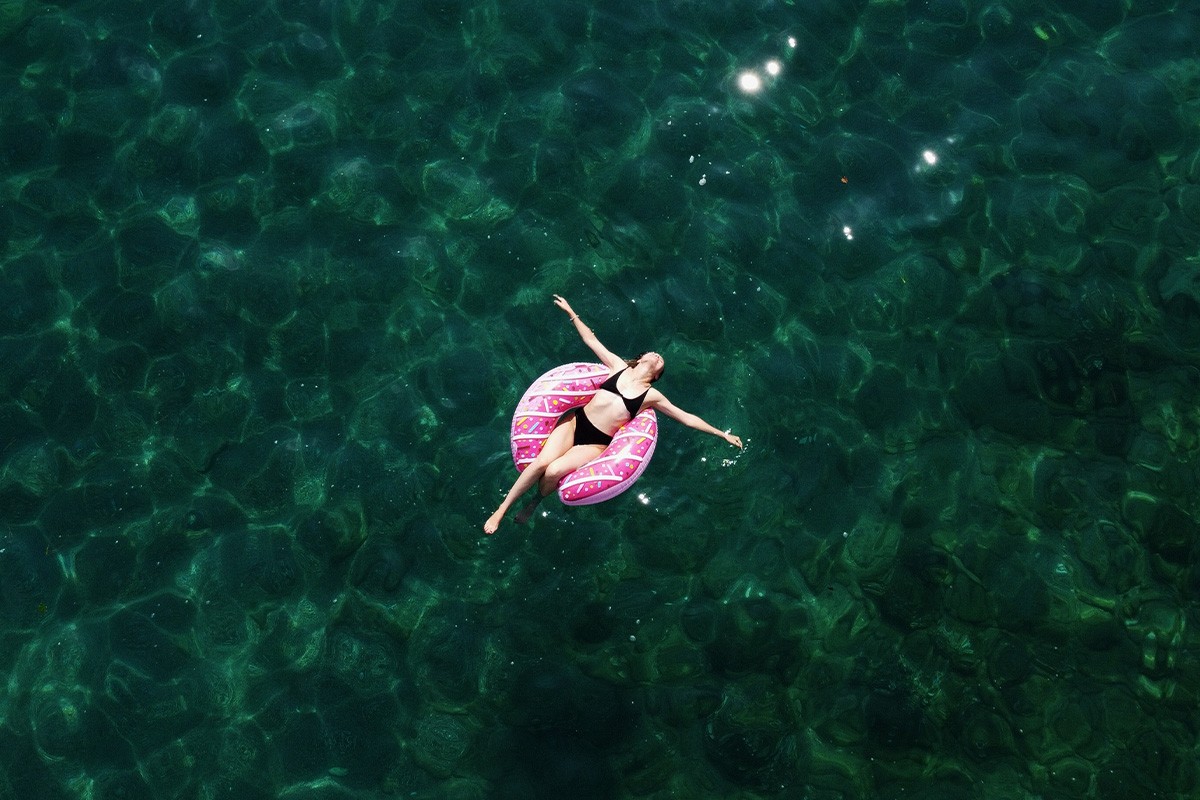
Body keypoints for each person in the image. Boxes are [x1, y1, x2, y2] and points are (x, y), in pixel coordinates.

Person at [483, 295, 743, 535]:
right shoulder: (617, 367)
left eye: (660, 360)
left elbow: (686, 417)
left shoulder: (650, 397)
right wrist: (572, 312)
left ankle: (535, 501)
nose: (657, 355)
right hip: (575, 423)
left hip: (595, 442)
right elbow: (591, 340)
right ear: (640, 360)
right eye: (653, 353)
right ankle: (501, 510)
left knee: (554, 470)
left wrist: (722, 435)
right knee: (541, 463)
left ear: (656, 374)